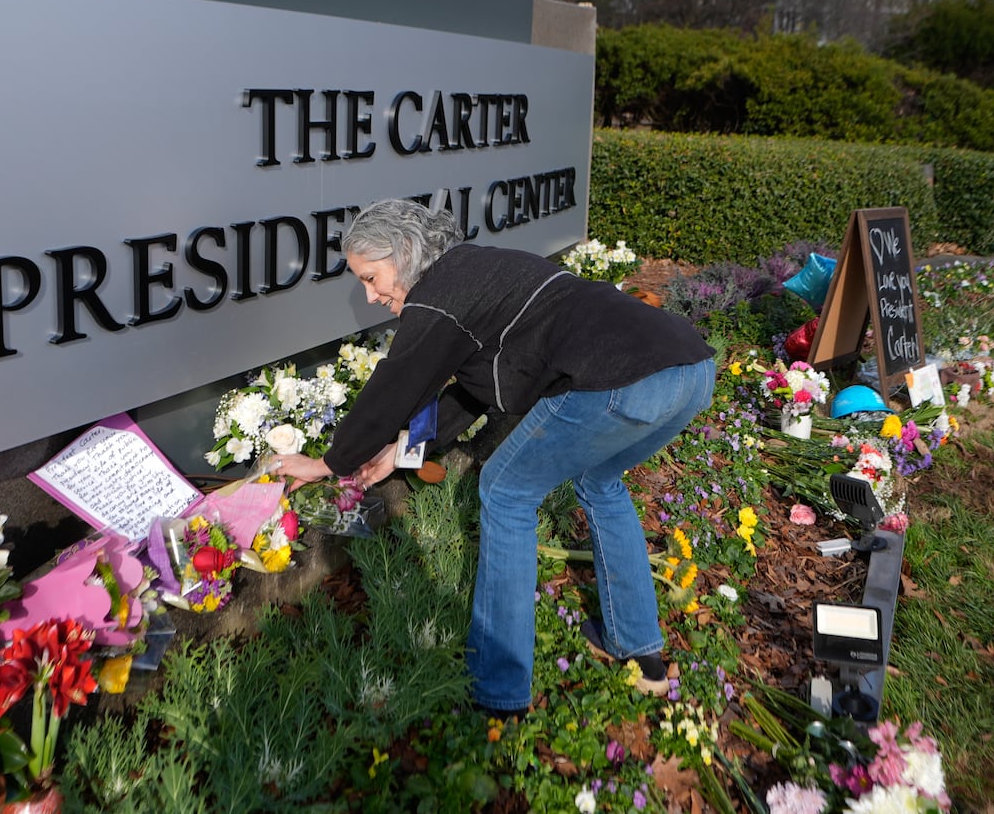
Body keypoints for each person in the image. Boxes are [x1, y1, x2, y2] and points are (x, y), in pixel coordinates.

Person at [272, 198, 716, 715]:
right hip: (690, 371)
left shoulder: (437, 297)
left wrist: (330, 463)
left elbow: (396, 386)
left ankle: (497, 693)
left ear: (407, 253)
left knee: (505, 492)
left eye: (372, 278)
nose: (370, 296)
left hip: (619, 381)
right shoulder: (477, 273)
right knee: (599, 483)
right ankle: (642, 656)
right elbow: (479, 388)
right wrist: (404, 452)